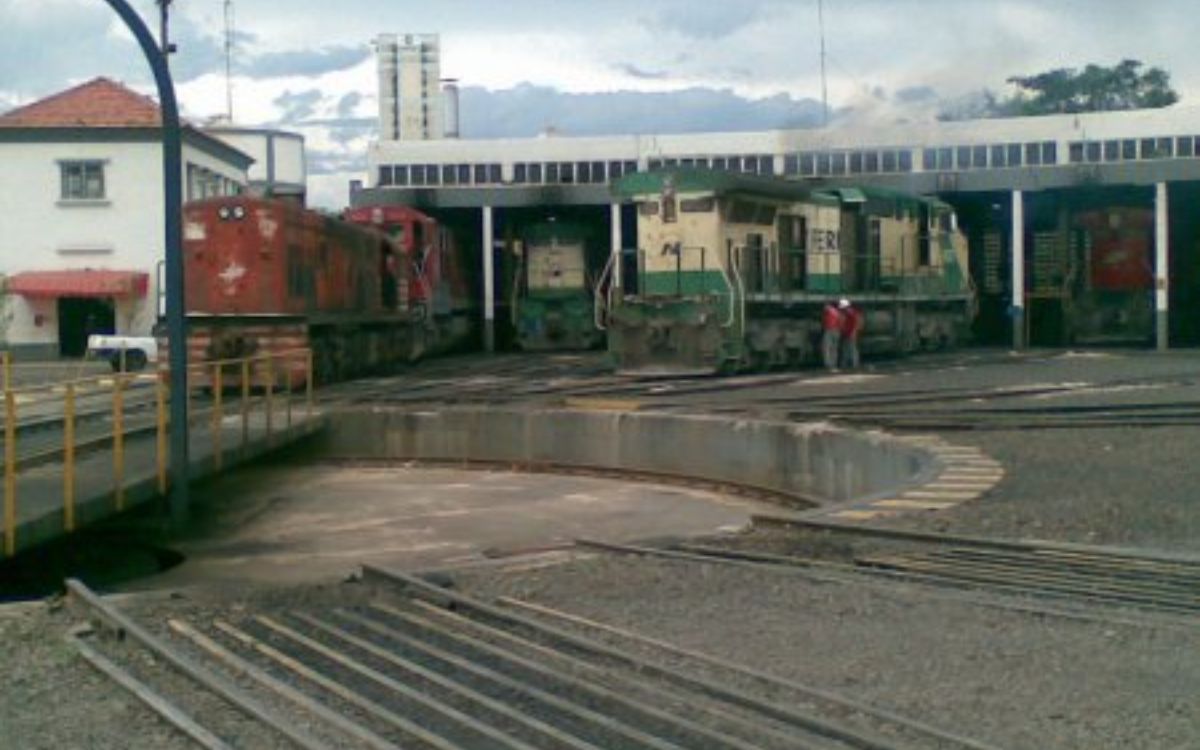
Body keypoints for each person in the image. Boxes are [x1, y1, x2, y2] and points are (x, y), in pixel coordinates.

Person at [839, 298, 863, 370]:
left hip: (851, 333)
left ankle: (855, 364)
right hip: (847, 333)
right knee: (846, 348)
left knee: (852, 348)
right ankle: (846, 364)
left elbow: (856, 323)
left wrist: (854, 332)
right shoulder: (848, 313)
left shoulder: (852, 313)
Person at [821, 300, 842, 371]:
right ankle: (834, 364)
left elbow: (824, 321)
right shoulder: (837, 312)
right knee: (834, 348)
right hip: (836, 330)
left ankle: (828, 364)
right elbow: (840, 322)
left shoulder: (828, 310)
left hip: (829, 330)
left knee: (827, 347)